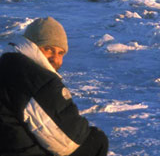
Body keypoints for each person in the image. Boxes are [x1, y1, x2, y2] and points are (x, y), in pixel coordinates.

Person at [0, 16, 109, 156]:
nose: (55, 58)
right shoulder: (34, 78)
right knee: (96, 142)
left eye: (60, 53)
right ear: (33, 46)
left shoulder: (9, 64)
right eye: (48, 49)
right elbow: (68, 141)